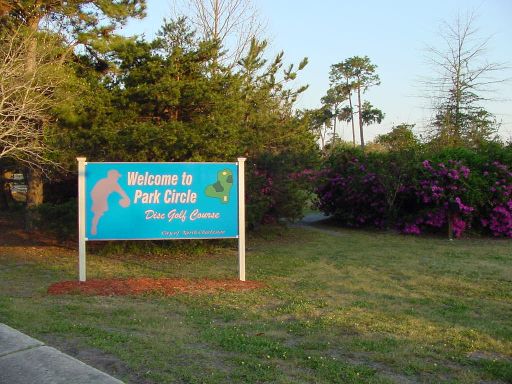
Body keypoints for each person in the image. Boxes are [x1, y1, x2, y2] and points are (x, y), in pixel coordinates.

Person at [90, 170, 130, 235]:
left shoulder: (114, 184)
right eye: (116, 177)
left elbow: (122, 192)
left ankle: (103, 229)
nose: (117, 178)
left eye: (117, 177)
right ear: (112, 176)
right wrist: (97, 200)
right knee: (98, 214)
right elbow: (93, 192)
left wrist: (126, 199)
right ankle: (94, 228)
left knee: (102, 214)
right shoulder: (103, 182)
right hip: (99, 200)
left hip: (103, 200)